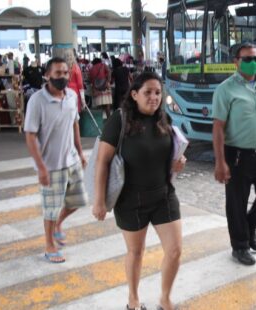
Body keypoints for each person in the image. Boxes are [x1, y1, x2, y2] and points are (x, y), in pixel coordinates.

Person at [92, 72, 186, 310]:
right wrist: (99, 200)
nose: (154, 97)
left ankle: (165, 299)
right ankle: (133, 299)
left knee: (174, 251)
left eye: (158, 92)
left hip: (163, 194)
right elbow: (102, 162)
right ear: (134, 95)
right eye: (148, 92)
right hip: (130, 200)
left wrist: (179, 161)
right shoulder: (119, 120)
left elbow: (170, 151)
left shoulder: (163, 118)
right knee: (136, 252)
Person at [212, 43, 256, 266]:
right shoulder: (226, 89)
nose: (254, 63)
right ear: (236, 61)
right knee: (236, 202)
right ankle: (240, 246)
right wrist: (220, 161)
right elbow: (218, 127)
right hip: (237, 155)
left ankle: (250, 226)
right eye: (248, 59)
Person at [24, 57, 88, 263]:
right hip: (50, 165)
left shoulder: (71, 96)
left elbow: (75, 124)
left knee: (79, 200)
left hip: (71, 160)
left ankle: (59, 224)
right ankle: (49, 245)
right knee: (50, 209)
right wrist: (41, 167)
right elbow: (30, 135)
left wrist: (80, 152)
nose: (63, 77)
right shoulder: (37, 101)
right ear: (47, 75)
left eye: (65, 73)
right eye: (58, 73)